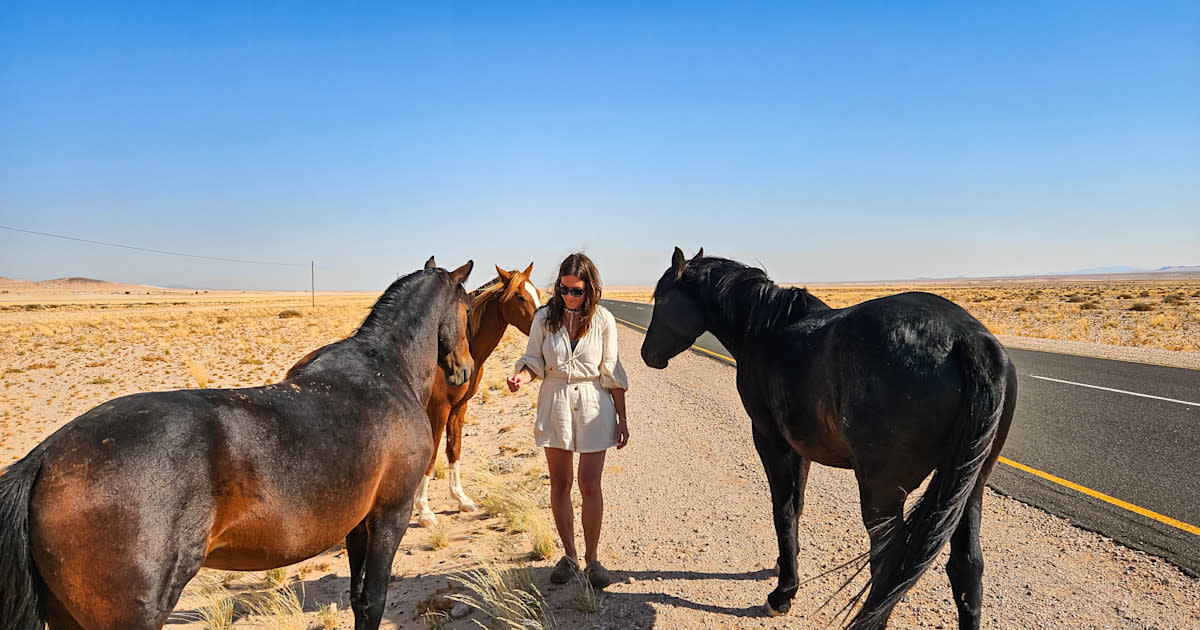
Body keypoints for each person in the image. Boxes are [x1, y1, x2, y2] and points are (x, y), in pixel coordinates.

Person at [507, 252, 629, 589]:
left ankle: (593, 560)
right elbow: (534, 360)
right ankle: (570, 556)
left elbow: (611, 371)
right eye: (563, 290)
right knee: (560, 484)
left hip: (594, 404)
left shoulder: (603, 320)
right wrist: (522, 376)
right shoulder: (544, 318)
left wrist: (623, 419)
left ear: (590, 289)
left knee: (590, 484)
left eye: (576, 291)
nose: (569, 297)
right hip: (556, 402)